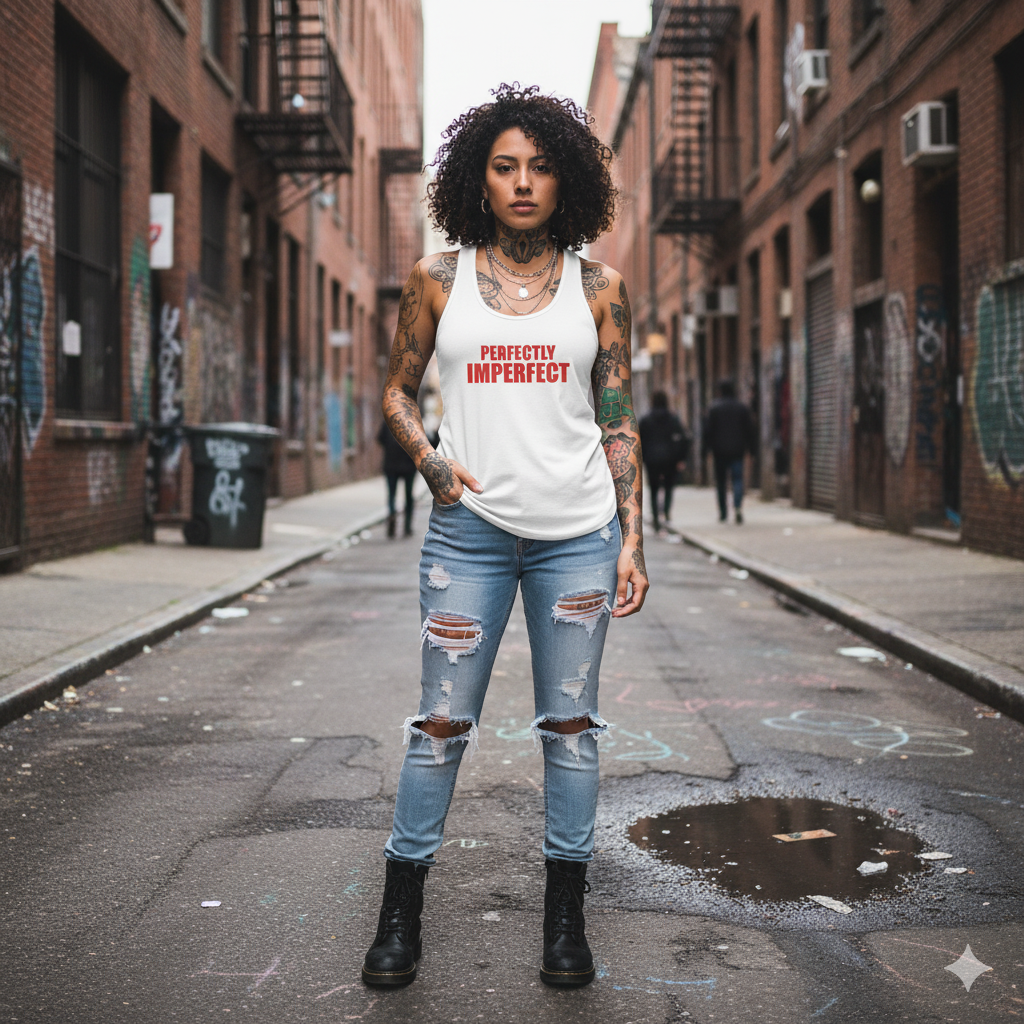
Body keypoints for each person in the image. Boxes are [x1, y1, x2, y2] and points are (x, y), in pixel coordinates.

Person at [363, 84, 648, 990]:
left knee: (570, 729)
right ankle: (399, 916)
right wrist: (432, 465)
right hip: (468, 536)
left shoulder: (601, 289)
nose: (523, 182)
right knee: (440, 726)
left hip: (578, 538)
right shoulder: (437, 280)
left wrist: (632, 540)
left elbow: (618, 422)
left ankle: (566, 919)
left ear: (566, 181)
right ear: (477, 180)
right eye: (504, 167)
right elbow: (397, 392)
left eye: (540, 166)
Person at [702, 379, 757, 524]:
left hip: (719, 451)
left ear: (720, 391)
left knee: (721, 483)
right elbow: (750, 431)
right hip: (737, 450)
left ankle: (723, 512)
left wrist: (705, 451)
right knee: (737, 480)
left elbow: (708, 432)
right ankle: (738, 507)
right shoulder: (742, 408)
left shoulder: (714, 408)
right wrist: (752, 451)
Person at [638, 391, 688, 532]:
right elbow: (683, 438)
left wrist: (641, 458)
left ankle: (655, 518)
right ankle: (666, 513)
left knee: (653, 489)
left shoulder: (646, 419)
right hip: (670, 458)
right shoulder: (673, 418)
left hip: (651, 458)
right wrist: (681, 458)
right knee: (668, 487)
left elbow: (638, 439)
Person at [377, 420, 417, 537]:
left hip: (391, 464)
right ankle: (408, 525)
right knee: (409, 495)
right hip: (408, 465)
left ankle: (392, 515)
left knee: (391, 495)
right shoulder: (412, 422)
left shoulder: (388, 421)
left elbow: (380, 439)